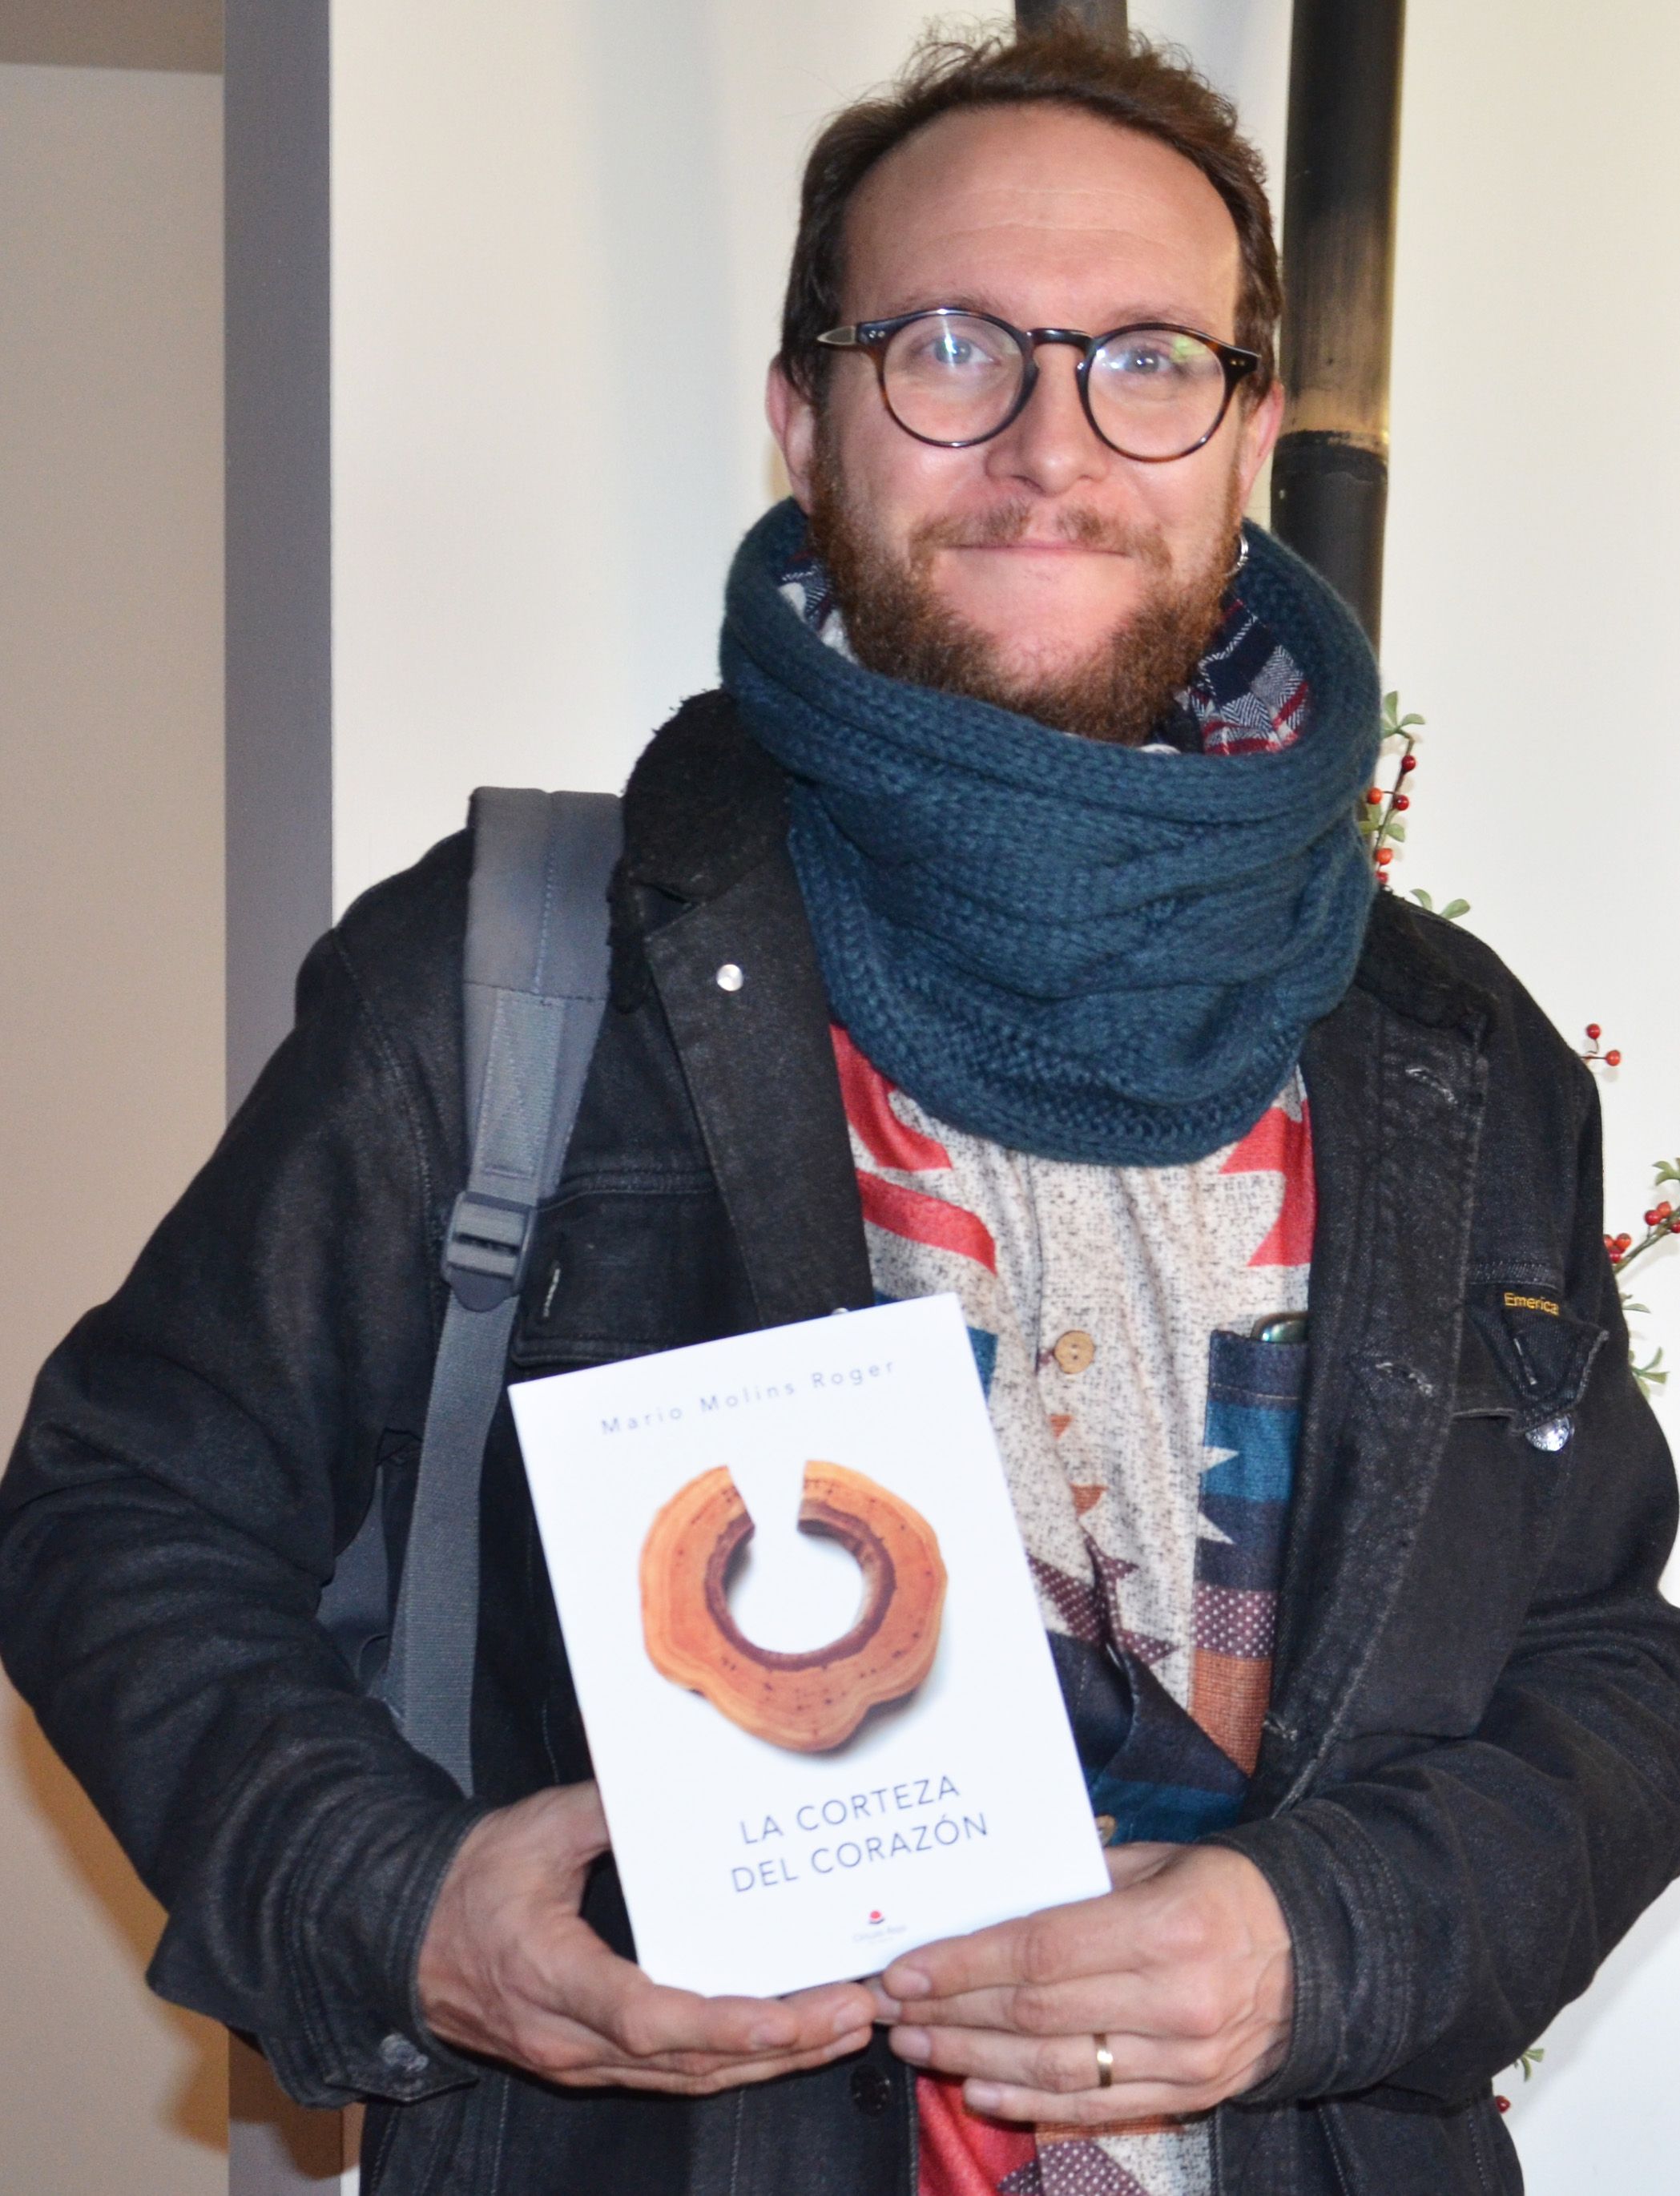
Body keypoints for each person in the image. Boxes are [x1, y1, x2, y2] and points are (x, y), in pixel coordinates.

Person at [4, 22, 1677, 2196]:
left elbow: (1607, 1668)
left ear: (1248, 436)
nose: (1049, 443)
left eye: (1147, 359)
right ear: (805, 422)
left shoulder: (1450, 1052)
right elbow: (118, 1509)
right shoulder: (512, 972)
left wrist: (1333, 1948)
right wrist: (404, 1909)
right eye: (950, 345)